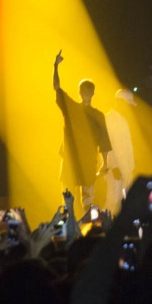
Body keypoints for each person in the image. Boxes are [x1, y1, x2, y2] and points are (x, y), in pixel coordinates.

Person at [53, 51, 112, 212]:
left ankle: (75, 231)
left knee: (73, 202)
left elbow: (56, 87)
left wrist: (55, 66)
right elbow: (104, 143)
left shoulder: (73, 109)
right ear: (92, 93)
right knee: (82, 202)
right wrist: (105, 165)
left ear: (81, 93)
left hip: (76, 161)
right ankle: (83, 232)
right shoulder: (94, 114)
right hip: (81, 162)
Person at [104, 89, 136, 214]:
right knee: (112, 201)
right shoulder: (109, 119)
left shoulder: (123, 121)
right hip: (116, 169)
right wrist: (113, 165)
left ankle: (115, 231)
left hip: (126, 169)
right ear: (120, 102)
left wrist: (130, 167)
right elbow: (107, 144)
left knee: (123, 202)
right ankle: (102, 230)